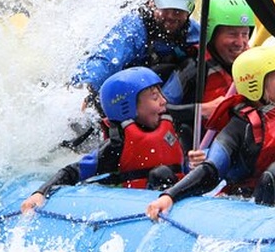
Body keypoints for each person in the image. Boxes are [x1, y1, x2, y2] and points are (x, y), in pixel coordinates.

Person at [145, 46, 275, 220]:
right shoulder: (239, 126)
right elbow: (210, 170)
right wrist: (170, 195)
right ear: (256, 84)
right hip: (259, 209)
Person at [65, 0, 200, 148]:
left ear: (189, 10)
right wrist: (86, 88)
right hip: (124, 95)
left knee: (193, 65)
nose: (171, 16)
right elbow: (105, 60)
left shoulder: (191, 31)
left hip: (156, 97)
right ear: (152, 3)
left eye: (178, 11)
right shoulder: (134, 28)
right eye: (166, 8)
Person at [21, 67, 186, 214]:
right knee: (161, 174)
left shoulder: (174, 132)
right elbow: (72, 172)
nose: (164, 101)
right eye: (154, 97)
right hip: (135, 206)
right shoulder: (116, 148)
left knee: (164, 173)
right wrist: (41, 192)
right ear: (128, 107)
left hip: (169, 199)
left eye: (161, 94)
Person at [164, 0, 255, 150]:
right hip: (199, 154)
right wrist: (202, 110)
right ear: (211, 34)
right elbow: (159, 111)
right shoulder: (193, 68)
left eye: (245, 34)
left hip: (241, 149)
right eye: (232, 34)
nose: (240, 43)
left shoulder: (255, 65)